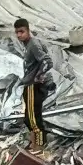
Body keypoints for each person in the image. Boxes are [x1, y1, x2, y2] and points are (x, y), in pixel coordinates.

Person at [16, 18, 54, 152]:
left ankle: (39, 146)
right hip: (30, 85)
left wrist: (39, 76)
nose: (19, 35)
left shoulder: (33, 44)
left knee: (33, 119)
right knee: (29, 117)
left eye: (22, 31)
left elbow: (47, 61)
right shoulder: (29, 45)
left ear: (28, 30)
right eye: (17, 32)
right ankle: (33, 144)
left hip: (33, 86)